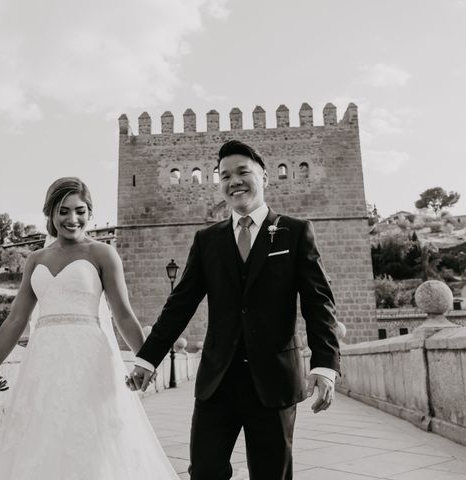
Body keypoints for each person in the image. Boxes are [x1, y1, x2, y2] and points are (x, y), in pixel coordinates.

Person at [129, 140, 341, 480]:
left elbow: (318, 302)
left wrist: (325, 365)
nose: (234, 181)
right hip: (217, 381)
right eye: (225, 175)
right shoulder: (207, 240)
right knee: (204, 471)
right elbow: (179, 304)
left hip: (273, 380)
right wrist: (147, 358)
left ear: (264, 177)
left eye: (243, 172)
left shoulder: (295, 232)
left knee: (272, 474)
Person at [0, 177, 178, 479]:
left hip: (90, 361)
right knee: (41, 443)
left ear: (90, 213)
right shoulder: (35, 260)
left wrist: (145, 360)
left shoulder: (103, 254)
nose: (72, 219)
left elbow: (124, 316)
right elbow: (15, 321)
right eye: (63, 211)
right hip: (43, 363)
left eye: (80, 210)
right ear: (50, 214)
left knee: (94, 442)